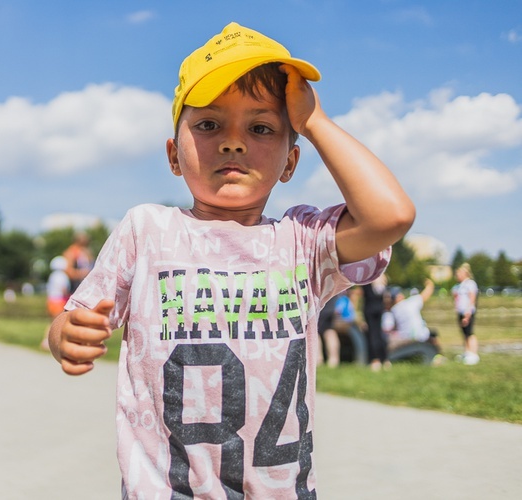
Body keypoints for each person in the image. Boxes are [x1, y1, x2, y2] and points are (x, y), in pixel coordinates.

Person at [48, 22, 414, 497]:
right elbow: (75, 317)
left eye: (261, 127)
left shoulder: (302, 241)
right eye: (208, 124)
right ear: (173, 155)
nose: (233, 142)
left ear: (290, 162)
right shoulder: (146, 231)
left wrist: (317, 122)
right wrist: (64, 336)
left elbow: (391, 216)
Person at [382, 280, 443, 363]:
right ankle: (438, 355)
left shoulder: (393, 310)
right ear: (399, 296)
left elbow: (390, 328)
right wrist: (430, 284)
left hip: (405, 338)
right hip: (420, 336)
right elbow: (426, 294)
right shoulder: (411, 302)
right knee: (432, 334)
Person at [40, 256, 71, 351]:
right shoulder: (62, 276)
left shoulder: (52, 276)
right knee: (58, 323)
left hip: (51, 300)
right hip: (59, 300)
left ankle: (47, 341)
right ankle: (51, 342)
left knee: (51, 322)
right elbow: (64, 289)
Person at [452, 262, 479, 365]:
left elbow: (472, 299)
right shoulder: (458, 286)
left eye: (459, 273)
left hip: (468, 312)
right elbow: (455, 297)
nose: (457, 275)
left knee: (469, 333)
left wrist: (467, 313)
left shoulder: (470, 284)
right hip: (460, 311)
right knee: (464, 333)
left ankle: (473, 354)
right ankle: (467, 352)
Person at [362, 273, 389, 371]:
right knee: (379, 334)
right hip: (379, 309)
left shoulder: (367, 277)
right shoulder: (382, 276)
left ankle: (375, 359)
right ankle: (384, 359)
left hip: (370, 309)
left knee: (373, 334)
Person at [316, 297, 340, 368]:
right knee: (330, 331)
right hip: (331, 307)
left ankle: (318, 359)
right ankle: (334, 359)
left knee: (316, 332)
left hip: (319, 306)